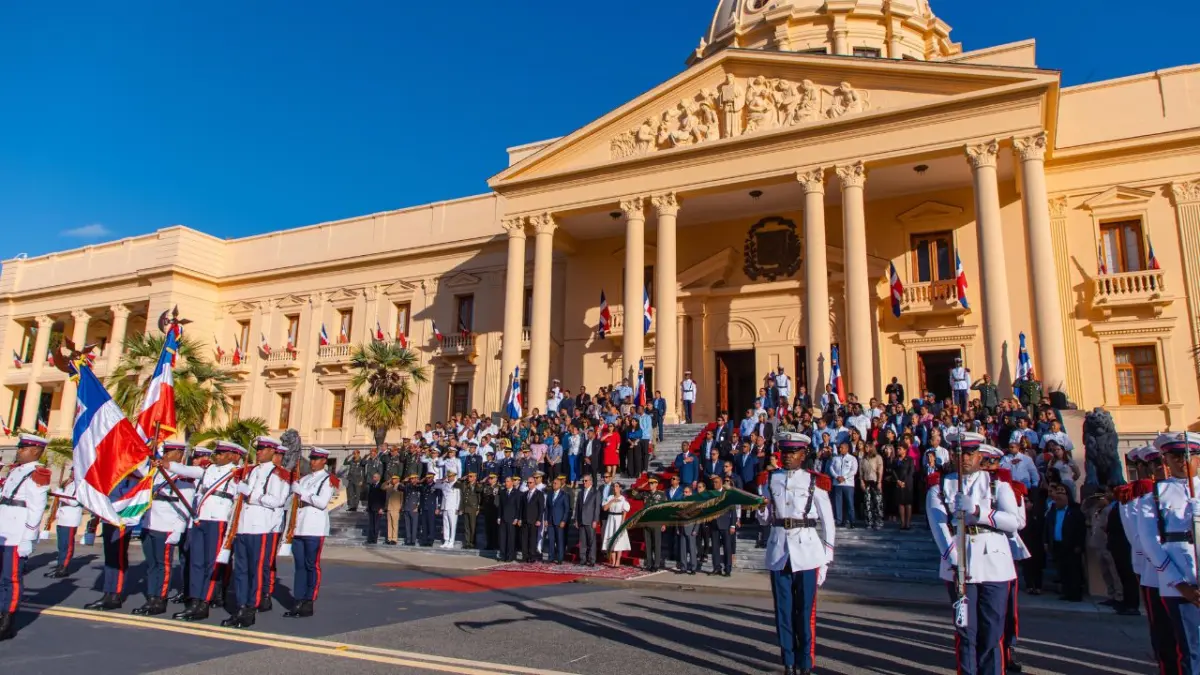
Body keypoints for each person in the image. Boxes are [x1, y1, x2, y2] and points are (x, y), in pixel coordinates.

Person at [926, 432, 1022, 675]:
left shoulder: (996, 484)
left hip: (994, 564)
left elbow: (1015, 521)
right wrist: (956, 562)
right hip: (960, 566)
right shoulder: (939, 486)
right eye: (960, 454)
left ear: (979, 455)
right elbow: (939, 527)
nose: (965, 459)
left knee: (992, 631)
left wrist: (980, 512)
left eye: (970, 454)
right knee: (965, 632)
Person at [765, 432, 835, 675]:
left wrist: (826, 560)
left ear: (803, 455)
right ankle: (788, 660)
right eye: (784, 452)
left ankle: (805, 662)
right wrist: (761, 510)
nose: (786, 457)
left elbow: (828, 522)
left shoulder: (814, 482)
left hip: (807, 551)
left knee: (804, 612)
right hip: (779, 551)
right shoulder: (770, 480)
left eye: (792, 452)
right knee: (783, 611)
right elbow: (767, 517)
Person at [1136, 432, 1200, 675]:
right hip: (1180, 581)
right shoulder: (1154, 496)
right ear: (1166, 460)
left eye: (1191, 455)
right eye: (1176, 456)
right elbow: (1151, 543)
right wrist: (1179, 583)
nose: (1184, 461)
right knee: (1190, 650)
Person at [169, 440, 244, 622]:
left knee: (212, 564)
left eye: (220, 453)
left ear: (231, 455)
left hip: (218, 520)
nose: (216, 456)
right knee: (196, 562)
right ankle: (194, 600)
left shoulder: (237, 473)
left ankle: (204, 602)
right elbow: (185, 470)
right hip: (200, 519)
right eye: (216, 453)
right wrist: (163, 462)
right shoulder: (207, 470)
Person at [221, 437, 290, 629]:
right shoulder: (250, 472)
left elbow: (277, 500)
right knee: (240, 570)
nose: (258, 452)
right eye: (257, 449)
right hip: (243, 527)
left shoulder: (277, 475)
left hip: (260, 528)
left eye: (262, 449)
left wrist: (252, 495)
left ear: (272, 451)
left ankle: (251, 608)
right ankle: (241, 606)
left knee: (256, 570)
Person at [133, 442, 195, 616]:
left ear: (180, 454)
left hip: (167, 526)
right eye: (165, 451)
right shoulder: (156, 473)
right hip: (150, 523)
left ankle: (160, 600)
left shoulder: (183, 478)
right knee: (151, 564)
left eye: (171, 451)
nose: (166, 454)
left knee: (163, 565)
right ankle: (152, 596)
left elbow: (185, 506)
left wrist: (178, 530)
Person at [0, 434, 51, 641]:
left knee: (10, 579)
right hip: (4, 531)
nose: (19, 451)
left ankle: (7, 621)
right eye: (20, 447)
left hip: (16, 534)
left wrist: (27, 539)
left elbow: (36, 509)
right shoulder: (16, 471)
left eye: (24, 448)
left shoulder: (38, 473)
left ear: (36, 451)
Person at [284, 447, 337, 619]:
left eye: (316, 459)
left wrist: (302, 493)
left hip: (314, 527)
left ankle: (309, 601)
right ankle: (298, 599)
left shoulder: (329, 479)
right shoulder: (305, 479)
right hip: (300, 526)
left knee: (311, 565)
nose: (313, 462)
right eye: (312, 459)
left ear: (324, 461)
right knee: (299, 565)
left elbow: (322, 503)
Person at [45, 468, 83, 578]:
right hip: (62, 517)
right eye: (71, 470)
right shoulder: (68, 483)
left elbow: (74, 501)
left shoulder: (81, 485)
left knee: (67, 545)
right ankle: (60, 565)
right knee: (61, 545)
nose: (71, 473)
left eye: (74, 471)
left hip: (71, 518)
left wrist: (60, 495)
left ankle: (64, 567)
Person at [632, 476, 668, 570]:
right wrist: (641, 485)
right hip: (646, 522)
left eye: (652, 483)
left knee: (656, 544)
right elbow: (634, 494)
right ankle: (649, 563)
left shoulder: (661, 495)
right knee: (648, 544)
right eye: (649, 483)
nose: (650, 485)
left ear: (656, 484)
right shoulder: (645, 494)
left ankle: (656, 564)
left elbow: (665, 510)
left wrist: (664, 523)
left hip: (656, 522)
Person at [709, 475, 738, 576]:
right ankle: (717, 567)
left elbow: (733, 510)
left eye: (716, 482)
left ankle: (728, 569)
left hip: (725, 524)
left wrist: (733, 525)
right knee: (715, 547)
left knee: (727, 547)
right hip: (714, 524)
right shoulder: (711, 494)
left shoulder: (727, 494)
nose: (714, 484)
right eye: (713, 482)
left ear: (721, 483)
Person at [575, 474, 602, 566]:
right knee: (582, 541)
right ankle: (582, 559)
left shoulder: (595, 492)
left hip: (590, 520)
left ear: (591, 481)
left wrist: (595, 520)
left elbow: (597, 508)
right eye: (583, 481)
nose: (584, 482)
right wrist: (576, 519)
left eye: (586, 481)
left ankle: (592, 560)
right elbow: (577, 507)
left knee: (591, 541)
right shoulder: (580, 492)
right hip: (581, 520)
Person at [829, 442, 858, 527]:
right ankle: (839, 520)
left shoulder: (852, 458)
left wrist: (844, 477)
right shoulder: (835, 458)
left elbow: (854, 470)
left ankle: (851, 521)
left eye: (842, 448)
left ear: (847, 448)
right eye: (839, 448)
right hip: (837, 483)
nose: (840, 449)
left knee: (849, 503)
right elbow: (831, 468)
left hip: (848, 484)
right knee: (838, 503)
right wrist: (836, 476)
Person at [602, 482, 631, 566]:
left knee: (619, 540)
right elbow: (605, 508)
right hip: (611, 518)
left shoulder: (622, 499)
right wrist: (612, 501)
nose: (615, 488)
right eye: (614, 486)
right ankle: (613, 560)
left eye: (617, 486)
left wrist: (623, 521)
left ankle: (618, 560)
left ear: (620, 488)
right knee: (611, 539)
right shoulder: (610, 497)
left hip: (619, 519)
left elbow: (625, 510)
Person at [545, 477, 571, 564]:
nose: (553, 484)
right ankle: (551, 557)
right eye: (553, 483)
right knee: (551, 540)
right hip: (550, 521)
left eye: (555, 483)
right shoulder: (550, 494)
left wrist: (564, 520)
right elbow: (547, 508)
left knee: (559, 540)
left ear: (560, 485)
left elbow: (566, 509)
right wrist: (546, 519)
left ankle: (560, 558)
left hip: (559, 521)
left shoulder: (564, 495)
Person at [519, 476, 545, 562]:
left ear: (534, 483)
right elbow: (521, 508)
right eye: (528, 483)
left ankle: (532, 556)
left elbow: (541, 508)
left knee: (532, 539)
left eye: (530, 483)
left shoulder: (539, 494)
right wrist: (520, 518)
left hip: (534, 520)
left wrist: (539, 519)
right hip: (525, 520)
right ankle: (524, 556)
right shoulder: (524, 494)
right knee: (524, 539)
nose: (528, 484)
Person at [435, 472, 461, 548]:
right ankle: (446, 540)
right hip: (445, 507)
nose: (450, 478)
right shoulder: (444, 484)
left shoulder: (457, 485)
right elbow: (436, 485)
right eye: (449, 476)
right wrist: (442, 480)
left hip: (453, 507)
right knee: (445, 525)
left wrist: (457, 508)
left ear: (454, 477)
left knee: (453, 525)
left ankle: (451, 541)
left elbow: (458, 497)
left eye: (451, 476)